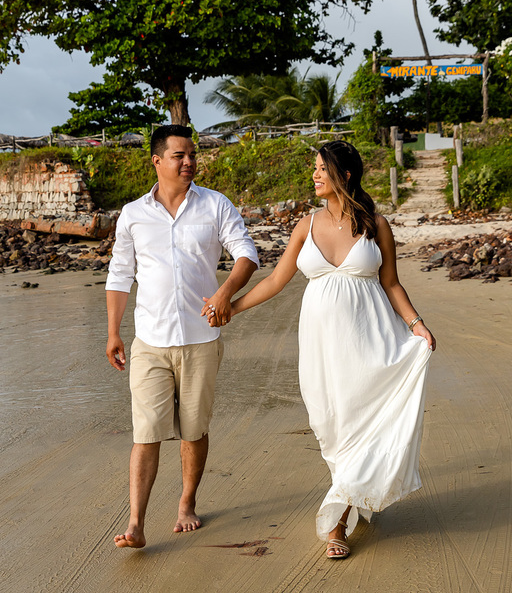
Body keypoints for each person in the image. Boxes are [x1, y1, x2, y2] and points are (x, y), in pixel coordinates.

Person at [212, 140, 436, 560]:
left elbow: (391, 283)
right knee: (332, 427)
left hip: (371, 343)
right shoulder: (306, 224)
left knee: (360, 423)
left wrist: (417, 325)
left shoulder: (376, 224)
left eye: (321, 167)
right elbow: (276, 280)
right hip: (320, 349)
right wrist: (232, 307)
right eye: (313, 167)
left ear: (344, 175)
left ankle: (337, 523)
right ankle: (355, 491)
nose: (314, 174)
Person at [106, 124, 259, 549]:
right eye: (179, 155)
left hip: (200, 339)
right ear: (157, 161)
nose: (189, 162)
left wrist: (226, 291)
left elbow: (247, 253)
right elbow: (120, 275)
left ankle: (187, 502)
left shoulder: (215, 205)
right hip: (149, 341)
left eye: (192, 154)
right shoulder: (133, 214)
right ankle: (136, 523)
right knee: (146, 432)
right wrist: (113, 332)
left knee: (193, 430)